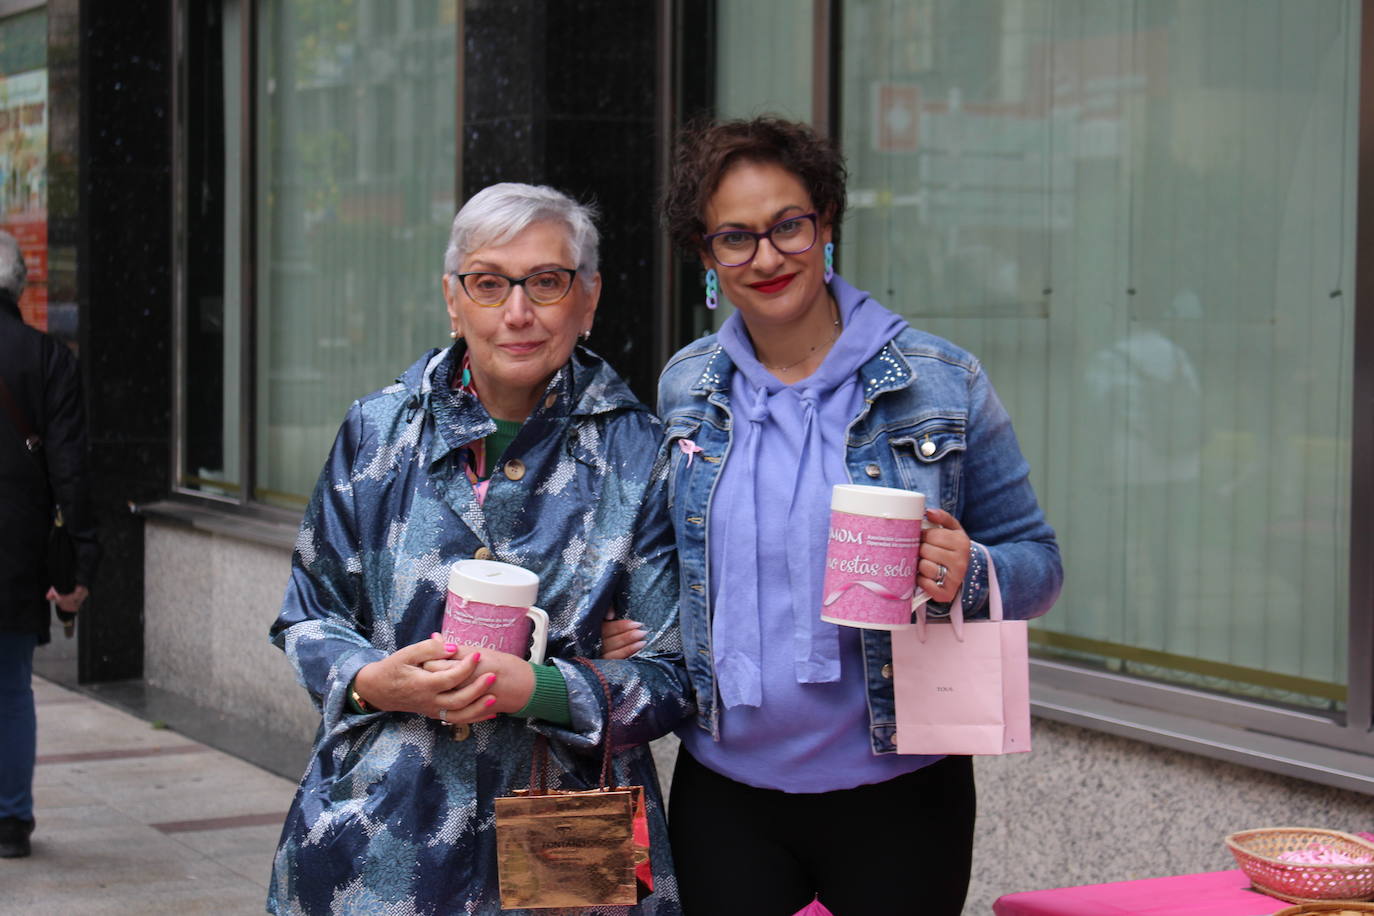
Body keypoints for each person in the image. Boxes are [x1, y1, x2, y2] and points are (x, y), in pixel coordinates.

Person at [653, 117, 1063, 915]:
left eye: (788, 226)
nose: (767, 257)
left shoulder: (942, 382)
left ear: (827, 223)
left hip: (902, 790)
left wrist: (970, 574)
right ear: (707, 257)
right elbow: (669, 562)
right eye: (735, 238)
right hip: (725, 791)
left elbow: (1037, 559)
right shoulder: (686, 387)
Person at [267, 183, 692, 914]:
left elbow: (674, 673)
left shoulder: (640, 454)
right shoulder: (378, 433)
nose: (518, 312)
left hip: (569, 839)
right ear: (452, 298)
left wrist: (546, 687)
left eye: (547, 282)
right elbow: (308, 615)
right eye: (489, 284)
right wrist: (374, 679)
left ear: (588, 300)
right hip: (382, 839)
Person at [0, 230, 99, 859]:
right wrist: (80, 561)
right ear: (20, 286)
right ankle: (11, 823)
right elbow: (70, 470)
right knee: (11, 686)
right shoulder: (47, 358)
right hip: (15, 545)